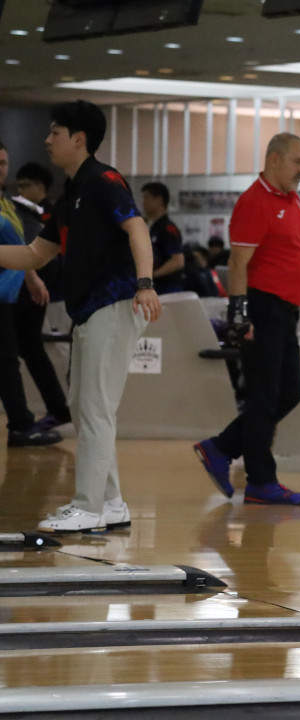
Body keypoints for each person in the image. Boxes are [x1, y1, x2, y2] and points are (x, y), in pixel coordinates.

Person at [0, 100, 162, 532]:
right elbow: (36, 253)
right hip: (90, 310)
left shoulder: (104, 180)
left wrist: (145, 283)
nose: (47, 140)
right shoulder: (71, 194)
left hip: (115, 302)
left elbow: (137, 228)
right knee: (86, 405)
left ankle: (87, 506)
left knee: (93, 407)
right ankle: (110, 503)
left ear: (79, 139)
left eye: (55, 132)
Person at [194, 133, 300, 506]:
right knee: (264, 396)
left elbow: (297, 249)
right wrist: (239, 315)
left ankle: (221, 448)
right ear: (274, 159)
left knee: (288, 393)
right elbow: (238, 263)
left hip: (287, 310)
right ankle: (260, 479)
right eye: (298, 161)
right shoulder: (254, 202)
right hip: (262, 308)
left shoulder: (290, 199)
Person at [12, 161, 72, 431]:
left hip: (49, 288)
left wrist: (35, 279)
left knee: (28, 344)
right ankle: (58, 408)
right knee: (29, 344)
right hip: (34, 281)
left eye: (26, 185)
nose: (21, 190)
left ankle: (54, 409)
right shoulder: (19, 209)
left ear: (41, 186)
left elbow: (38, 253)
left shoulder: (45, 214)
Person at [140, 182, 185, 295]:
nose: (143, 203)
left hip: (168, 289)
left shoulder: (168, 228)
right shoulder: (154, 227)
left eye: (146, 198)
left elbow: (178, 261)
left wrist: (151, 275)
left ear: (159, 200)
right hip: (157, 288)